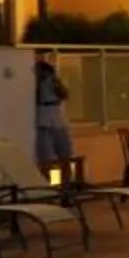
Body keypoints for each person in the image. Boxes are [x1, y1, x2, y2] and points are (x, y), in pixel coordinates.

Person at [33, 52, 76, 183]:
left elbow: (64, 94)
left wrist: (54, 82)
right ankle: (53, 185)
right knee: (47, 160)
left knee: (65, 158)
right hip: (44, 124)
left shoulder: (53, 83)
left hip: (59, 123)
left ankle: (65, 187)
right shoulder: (35, 85)